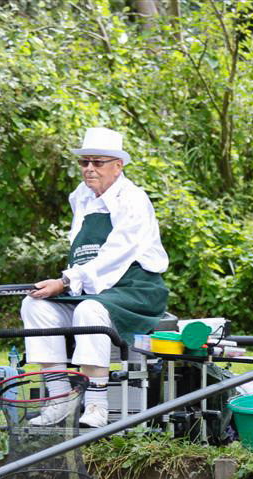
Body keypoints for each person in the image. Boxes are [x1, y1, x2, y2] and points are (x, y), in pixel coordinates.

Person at [21, 127, 169, 428]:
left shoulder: (134, 200)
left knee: (90, 311)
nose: (89, 169)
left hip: (136, 289)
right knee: (33, 305)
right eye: (84, 162)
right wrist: (65, 284)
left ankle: (96, 406)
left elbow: (115, 254)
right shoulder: (82, 197)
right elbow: (84, 255)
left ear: (118, 165)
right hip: (90, 287)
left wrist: (64, 283)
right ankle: (60, 399)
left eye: (98, 163)